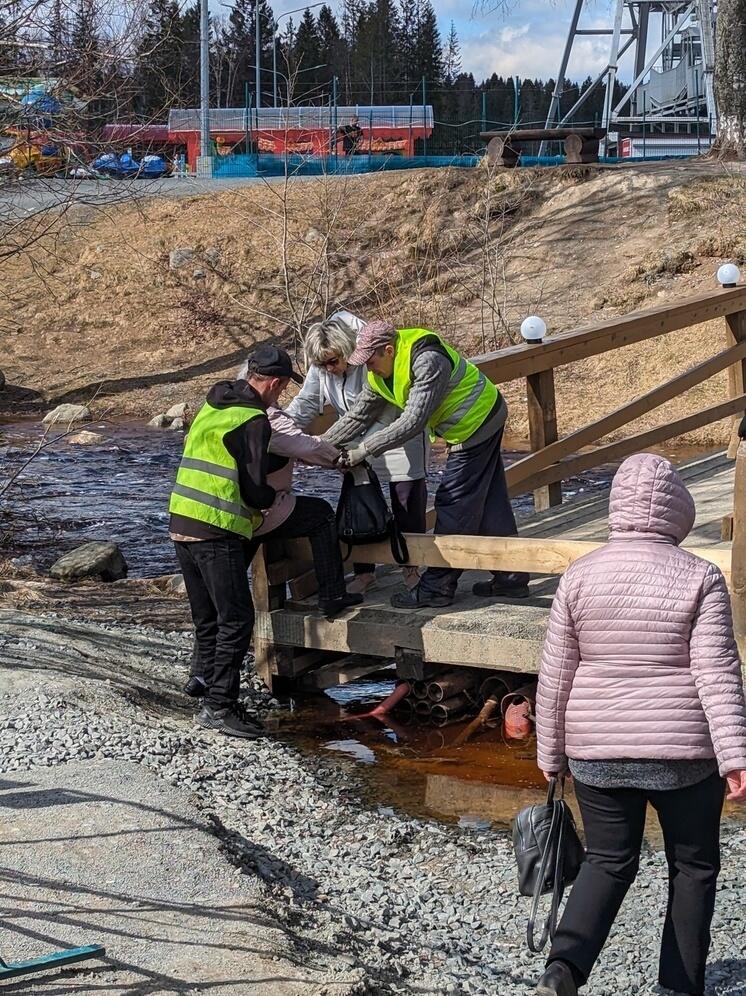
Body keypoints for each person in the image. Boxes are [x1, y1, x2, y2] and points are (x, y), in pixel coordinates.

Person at [534, 452, 746, 996]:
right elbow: (717, 671)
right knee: (693, 867)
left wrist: (550, 754)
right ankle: (677, 988)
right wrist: (735, 755)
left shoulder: (579, 575)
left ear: (615, 507)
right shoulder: (700, 575)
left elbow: (555, 676)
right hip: (684, 756)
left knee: (607, 860)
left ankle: (563, 972)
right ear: (679, 509)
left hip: (596, 750)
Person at [319, 319, 530, 608]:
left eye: (370, 361)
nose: (368, 368)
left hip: (477, 423)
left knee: (453, 502)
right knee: (490, 502)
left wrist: (364, 450)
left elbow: (413, 421)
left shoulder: (428, 360)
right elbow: (358, 416)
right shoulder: (378, 374)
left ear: (388, 350)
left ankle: (436, 589)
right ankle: (511, 578)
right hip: (475, 423)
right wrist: (318, 446)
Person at [183, 397, 362, 699]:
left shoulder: (217, 410)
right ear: (273, 385)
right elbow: (303, 446)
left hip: (221, 514)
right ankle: (332, 594)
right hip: (261, 512)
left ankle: (200, 674)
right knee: (320, 515)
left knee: (216, 602)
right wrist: (342, 459)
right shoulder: (265, 419)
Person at [286, 310, 427, 593]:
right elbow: (306, 403)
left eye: (333, 362)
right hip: (351, 439)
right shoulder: (322, 364)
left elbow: (382, 414)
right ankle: (365, 571)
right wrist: (280, 431)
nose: (329, 368)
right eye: (321, 364)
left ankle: (411, 567)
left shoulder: (368, 361)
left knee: (406, 501)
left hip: (396, 432)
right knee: (359, 505)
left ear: (346, 351)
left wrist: (360, 448)